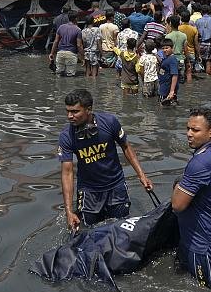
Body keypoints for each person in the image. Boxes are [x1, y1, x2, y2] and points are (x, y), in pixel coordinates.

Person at [57, 89, 153, 230]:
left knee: (123, 228)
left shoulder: (109, 122)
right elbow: (67, 173)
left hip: (116, 186)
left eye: (75, 112)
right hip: (89, 191)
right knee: (88, 231)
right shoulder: (66, 136)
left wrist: (142, 176)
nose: (70, 116)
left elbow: (126, 147)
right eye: (68, 111)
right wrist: (69, 211)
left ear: (88, 109)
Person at [172, 108, 211, 292]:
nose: (189, 134)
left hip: (204, 244)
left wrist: (179, 183)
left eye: (195, 130)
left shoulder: (200, 163)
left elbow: (177, 205)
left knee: (209, 289)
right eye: (188, 128)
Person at [158, 38, 180, 106]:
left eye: (167, 48)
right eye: (163, 48)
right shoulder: (167, 58)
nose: (165, 50)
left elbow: (175, 75)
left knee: (162, 106)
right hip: (164, 86)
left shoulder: (172, 60)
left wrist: (172, 91)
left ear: (172, 48)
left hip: (167, 88)